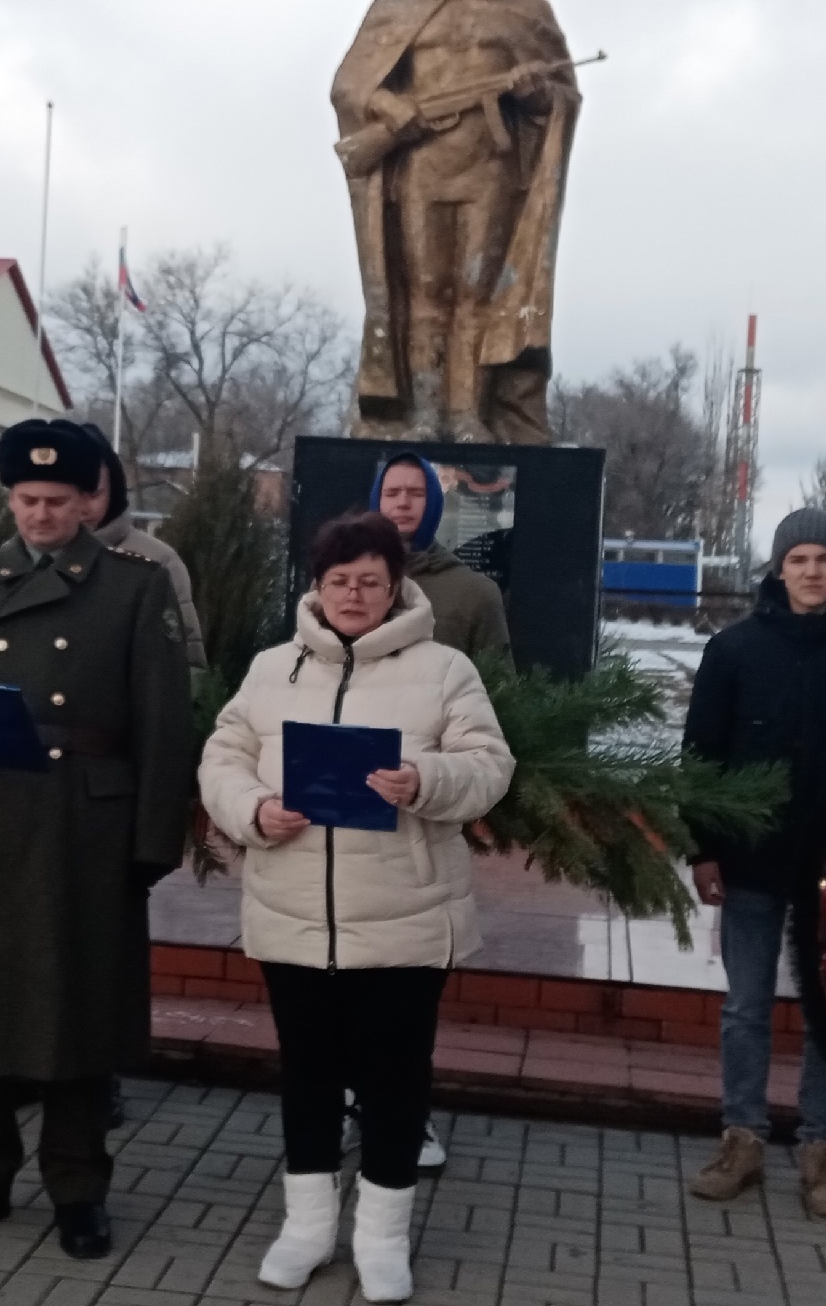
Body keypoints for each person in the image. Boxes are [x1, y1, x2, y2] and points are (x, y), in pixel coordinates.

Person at [0, 421, 196, 1263]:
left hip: (83, 823)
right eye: (26, 500)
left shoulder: (134, 588)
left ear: (89, 500)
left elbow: (163, 724)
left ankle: (77, 1188)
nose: (40, 515)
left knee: (78, 1010)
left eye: (58, 501)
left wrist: (151, 842)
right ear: (7, 499)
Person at [197, 510, 513, 1302]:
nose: (354, 594)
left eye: (370, 581)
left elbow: (489, 764)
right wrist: (251, 810)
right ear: (317, 584)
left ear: (395, 585)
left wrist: (427, 782)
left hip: (404, 917)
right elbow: (223, 754)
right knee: (306, 1076)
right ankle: (306, 1230)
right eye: (340, 580)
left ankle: (381, 1240)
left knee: (393, 1082)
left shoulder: (444, 670)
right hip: (292, 914)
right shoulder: (274, 668)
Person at [682, 508, 826, 1221]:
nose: (812, 571)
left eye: (825, 559)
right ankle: (742, 1138)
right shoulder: (735, 650)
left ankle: (822, 1150)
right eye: (799, 558)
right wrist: (703, 846)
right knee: (746, 1009)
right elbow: (701, 756)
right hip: (750, 862)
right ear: (778, 569)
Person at [330, 0, 581, 443]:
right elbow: (350, 83)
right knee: (424, 289)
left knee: (478, 293)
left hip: (489, 170)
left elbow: (559, 98)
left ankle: (468, 414)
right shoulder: (396, 8)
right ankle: (421, 412)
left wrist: (532, 90)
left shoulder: (524, 10)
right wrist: (389, 104)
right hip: (419, 167)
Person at [74, 422, 207, 672]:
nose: (82, 507)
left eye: (93, 494)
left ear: (113, 491)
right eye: (72, 493)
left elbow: (190, 666)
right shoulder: (26, 560)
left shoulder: (158, 561)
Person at [369, 453, 510, 662]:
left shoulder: (475, 593)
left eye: (416, 493)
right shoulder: (340, 581)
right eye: (391, 493)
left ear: (434, 501)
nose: (403, 503)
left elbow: (498, 685)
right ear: (376, 501)